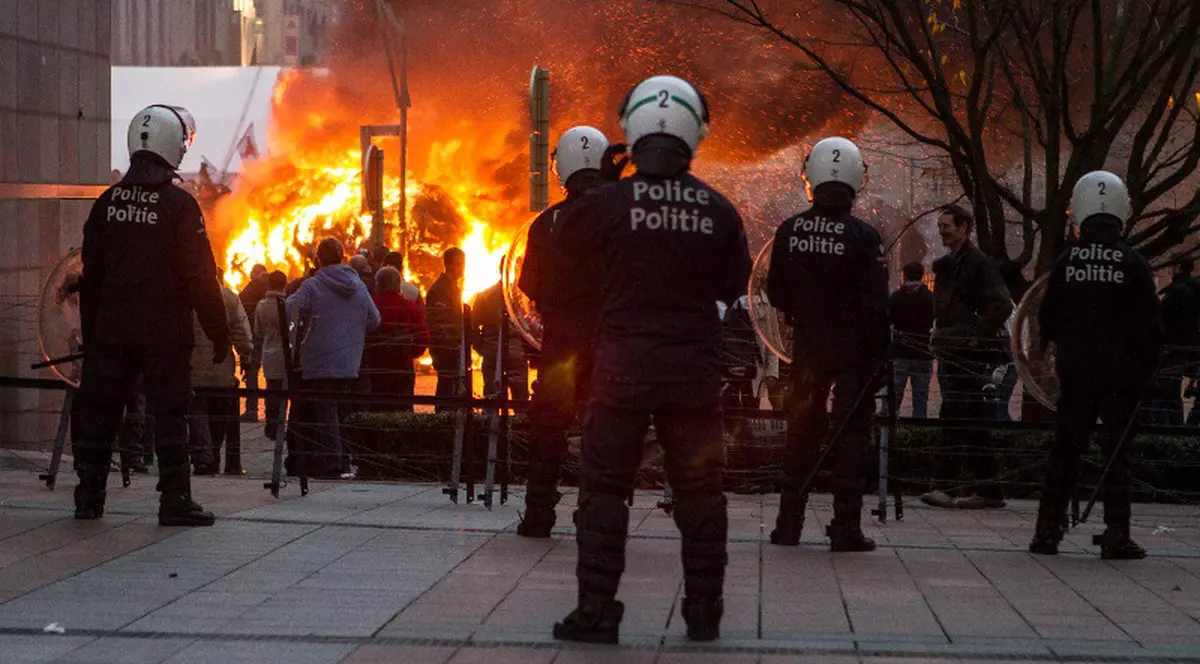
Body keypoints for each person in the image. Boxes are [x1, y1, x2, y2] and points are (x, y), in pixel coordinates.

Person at [552, 76, 751, 645]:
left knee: (606, 487)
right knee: (701, 491)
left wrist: (608, 187)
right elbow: (733, 282)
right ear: (696, 131)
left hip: (621, 368)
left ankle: (596, 610)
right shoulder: (717, 209)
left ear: (631, 129)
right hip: (692, 372)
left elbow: (570, 251)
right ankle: (704, 612)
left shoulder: (607, 203)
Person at [72, 104, 228, 526]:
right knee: (170, 413)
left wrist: (92, 335)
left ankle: (89, 496)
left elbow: (91, 277)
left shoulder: (107, 203)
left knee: (100, 414)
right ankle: (174, 499)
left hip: (110, 332)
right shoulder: (179, 205)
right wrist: (220, 332)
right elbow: (201, 277)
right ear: (171, 146)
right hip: (164, 334)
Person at [1030, 171, 1163, 559]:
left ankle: (1047, 532)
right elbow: (1150, 327)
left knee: (1065, 452)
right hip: (1122, 376)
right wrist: (1148, 372)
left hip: (1076, 373)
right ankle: (1117, 533)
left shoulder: (1067, 261)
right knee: (1117, 455)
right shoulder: (1134, 263)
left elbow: (1047, 317)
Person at [765, 137, 888, 552]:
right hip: (853, 354)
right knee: (851, 436)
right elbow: (876, 308)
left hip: (808, 351)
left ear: (810, 176)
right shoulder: (864, 236)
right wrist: (879, 359)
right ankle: (845, 528)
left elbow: (775, 293)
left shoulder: (790, 230)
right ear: (857, 180)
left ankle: (788, 525)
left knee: (801, 432)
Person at [516, 125, 616, 537]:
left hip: (559, 349)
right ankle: (595, 514)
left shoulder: (545, 224)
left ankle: (539, 515)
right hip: (610, 348)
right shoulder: (623, 217)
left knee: (548, 430)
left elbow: (527, 286)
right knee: (605, 430)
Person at [924, 204, 1013, 510]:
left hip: (967, 355)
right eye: (940, 226)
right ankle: (989, 490)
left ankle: (946, 487)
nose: (942, 231)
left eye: (946, 225)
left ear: (964, 227)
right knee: (972, 422)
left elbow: (1002, 305)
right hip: (957, 351)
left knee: (953, 416)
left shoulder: (978, 264)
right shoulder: (956, 264)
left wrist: (976, 336)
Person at [287, 238, 381, 478]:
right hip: (350, 361)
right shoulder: (358, 285)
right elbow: (375, 319)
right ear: (342, 257)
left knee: (325, 411)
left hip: (319, 360)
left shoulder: (313, 285)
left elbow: (290, 308)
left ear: (318, 259)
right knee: (343, 411)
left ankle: (332, 463)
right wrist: (353, 332)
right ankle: (344, 460)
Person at [189, 279, 253, 475]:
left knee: (196, 414)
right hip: (221, 367)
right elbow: (241, 330)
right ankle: (214, 454)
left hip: (192, 367)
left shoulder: (187, 295)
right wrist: (245, 352)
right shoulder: (229, 297)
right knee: (218, 415)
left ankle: (203, 457)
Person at [367, 266, 430, 410]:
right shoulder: (409, 307)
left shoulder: (372, 305)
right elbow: (423, 335)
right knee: (403, 410)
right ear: (398, 285)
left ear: (379, 285)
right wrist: (412, 353)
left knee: (378, 411)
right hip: (403, 367)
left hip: (377, 369)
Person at [1152, 260, 1200, 425]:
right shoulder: (1193, 290)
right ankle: (1178, 428)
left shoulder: (1177, 291)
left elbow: (1162, 315)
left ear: (1178, 268)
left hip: (1171, 348)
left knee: (1165, 390)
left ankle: (1169, 427)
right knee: (1172, 391)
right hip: (1186, 349)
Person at [471, 280, 530, 402]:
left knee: (491, 399)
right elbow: (529, 325)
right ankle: (519, 420)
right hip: (517, 354)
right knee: (520, 400)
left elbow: (473, 325)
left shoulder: (484, 296)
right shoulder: (520, 296)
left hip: (492, 353)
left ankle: (491, 419)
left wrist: (481, 347)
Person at [890, 261, 935, 418]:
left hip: (900, 352)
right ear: (922, 276)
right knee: (920, 397)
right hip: (923, 353)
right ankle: (920, 431)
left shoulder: (895, 298)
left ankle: (889, 432)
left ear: (904, 275)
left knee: (893, 397)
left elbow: (887, 322)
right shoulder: (930, 298)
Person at [426, 248, 466, 413]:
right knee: (446, 388)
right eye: (459, 264)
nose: (462, 268)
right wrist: (452, 344)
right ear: (448, 265)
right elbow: (438, 322)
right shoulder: (441, 289)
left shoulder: (452, 287)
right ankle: (443, 422)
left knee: (453, 388)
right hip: (445, 349)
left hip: (453, 347)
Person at [255, 271, 289, 439]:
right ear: (284, 284)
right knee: (285, 390)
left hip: (269, 352)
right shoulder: (288, 304)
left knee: (271, 390)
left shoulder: (261, 305)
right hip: (286, 353)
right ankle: (282, 423)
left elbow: (258, 331)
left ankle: (271, 425)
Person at [238, 264, 269, 421]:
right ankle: (273, 414)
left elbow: (239, 309)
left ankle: (252, 410)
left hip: (253, 335)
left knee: (251, 371)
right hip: (271, 336)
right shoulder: (271, 287)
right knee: (273, 375)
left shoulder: (249, 290)